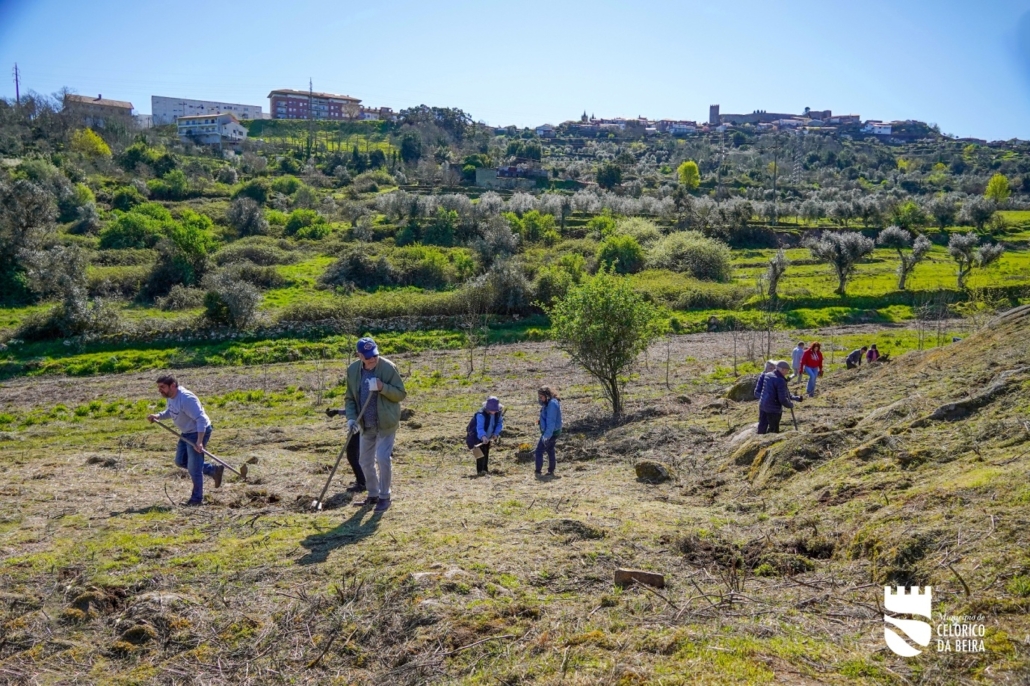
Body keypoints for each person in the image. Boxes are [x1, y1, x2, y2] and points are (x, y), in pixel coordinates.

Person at [344, 337, 407, 513]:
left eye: (374, 355)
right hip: (366, 424)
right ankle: (373, 494)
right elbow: (349, 398)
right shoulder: (353, 370)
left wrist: (382, 387)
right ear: (359, 356)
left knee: (382, 457)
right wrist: (351, 418)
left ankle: (385, 497)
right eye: (367, 357)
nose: (372, 359)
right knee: (364, 460)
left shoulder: (388, 367)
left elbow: (401, 394)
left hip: (386, 423)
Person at [147, 375, 222, 506]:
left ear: (173, 386)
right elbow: (172, 411)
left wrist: (199, 441)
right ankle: (212, 470)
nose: (160, 390)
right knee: (180, 461)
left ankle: (196, 500)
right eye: (159, 387)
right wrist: (158, 415)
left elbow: (201, 419)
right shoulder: (171, 397)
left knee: (194, 468)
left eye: (162, 387)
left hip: (198, 432)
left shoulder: (187, 399)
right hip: (186, 433)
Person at [325, 407, 366, 493]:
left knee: (353, 456)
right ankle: (361, 479)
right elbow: (352, 409)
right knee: (356, 456)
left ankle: (362, 483)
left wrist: (338, 411)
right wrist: (337, 411)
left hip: (359, 428)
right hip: (360, 427)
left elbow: (356, 409)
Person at [757, 361, 802, 434]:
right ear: (782, 369)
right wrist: (789, 405)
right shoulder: (780, 380)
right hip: (773, 409)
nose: (787, 373)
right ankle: (770, 442)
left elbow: (779, 392)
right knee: (773, 430)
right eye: (787, 371)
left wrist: (795, 398)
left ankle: (759, 441)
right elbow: (782, 399)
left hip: (763, 404)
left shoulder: (768, 375)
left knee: (762, 425)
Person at [466, 396, 504, 476]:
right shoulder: (481, 414)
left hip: (488, 436)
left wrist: (495, 433)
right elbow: (479, 427)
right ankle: (480, 472)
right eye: (492, 410)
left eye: (495, 410)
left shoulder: (498, 413)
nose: (494, 412)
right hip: (476, 437)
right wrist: (483, 437)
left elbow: (499, 424)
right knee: (479, 455)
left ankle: (485, 470)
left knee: (486, 452)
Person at [535, 386, 562, 477]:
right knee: (550, 450)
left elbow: (551, 421)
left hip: (551, 432)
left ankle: (538, 471)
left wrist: (546, 436)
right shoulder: (548, 403)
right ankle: (551, 470)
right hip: (553, 431)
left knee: (539, 451)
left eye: (541, 397)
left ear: (547, 395)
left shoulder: (552, 404)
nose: (540, 399)